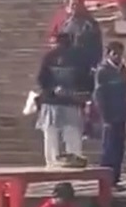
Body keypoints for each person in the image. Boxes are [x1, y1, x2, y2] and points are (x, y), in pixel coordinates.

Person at [35, 33, 89, 168]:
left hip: (60, 101)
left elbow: (41, 79)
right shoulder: (77, 57)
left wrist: (53, 90)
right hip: (62, 102)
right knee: (67, 134)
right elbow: (86, 80)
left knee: (55, 134)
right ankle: (71, 159)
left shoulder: (51, 56)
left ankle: (54, 162)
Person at [94, 41, 126, 187]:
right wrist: (105, 117)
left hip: (121, 114)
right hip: (109, 117)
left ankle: (115, 179)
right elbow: (99, 95)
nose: (117, 57)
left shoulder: (123, 70)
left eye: (120, 54)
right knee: (108, 149)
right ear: (108, 53)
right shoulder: (102, 71)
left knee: (119, 149)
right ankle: (105, 181)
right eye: (114, 53)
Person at [58, 0, 103, 76]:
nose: (75, 7)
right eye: (73, 5)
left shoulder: (90, 24)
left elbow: (97, 48)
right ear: (68, 7)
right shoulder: (65, 25)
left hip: (85, 67)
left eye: (77, 4)